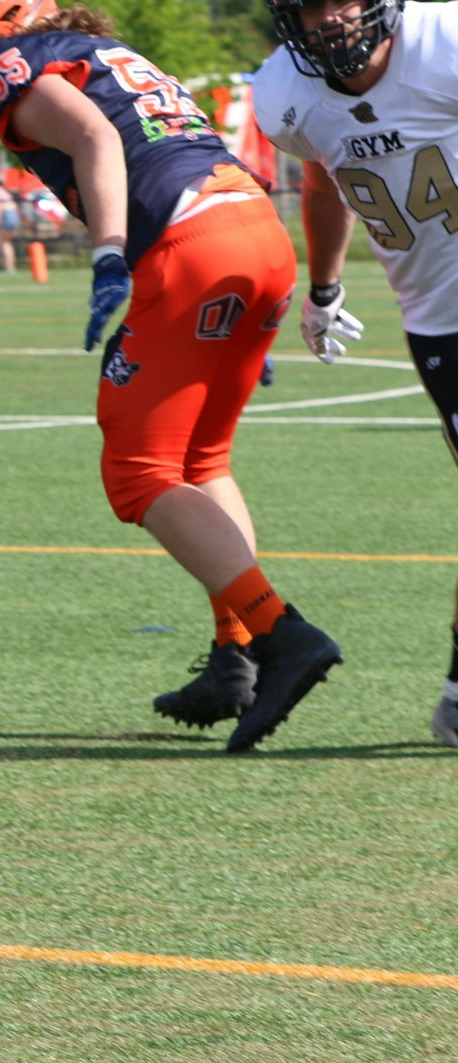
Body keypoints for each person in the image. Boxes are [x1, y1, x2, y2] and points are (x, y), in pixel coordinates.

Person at [0, 0, 343, 751]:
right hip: (253, 233)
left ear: (0, 18)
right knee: (201, 462)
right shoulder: (103, 52)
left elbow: (95, 136)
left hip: (191, 243)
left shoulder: (10, 65)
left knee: (139, 473)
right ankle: (233, 655)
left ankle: (281, 634)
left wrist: (110, 254)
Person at [250, 0, 458, 745]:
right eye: (309, 6)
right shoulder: (285, 95)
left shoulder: (445, 40)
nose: (330, 18)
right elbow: (321, 180)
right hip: (442, 323)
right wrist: (325, 286)